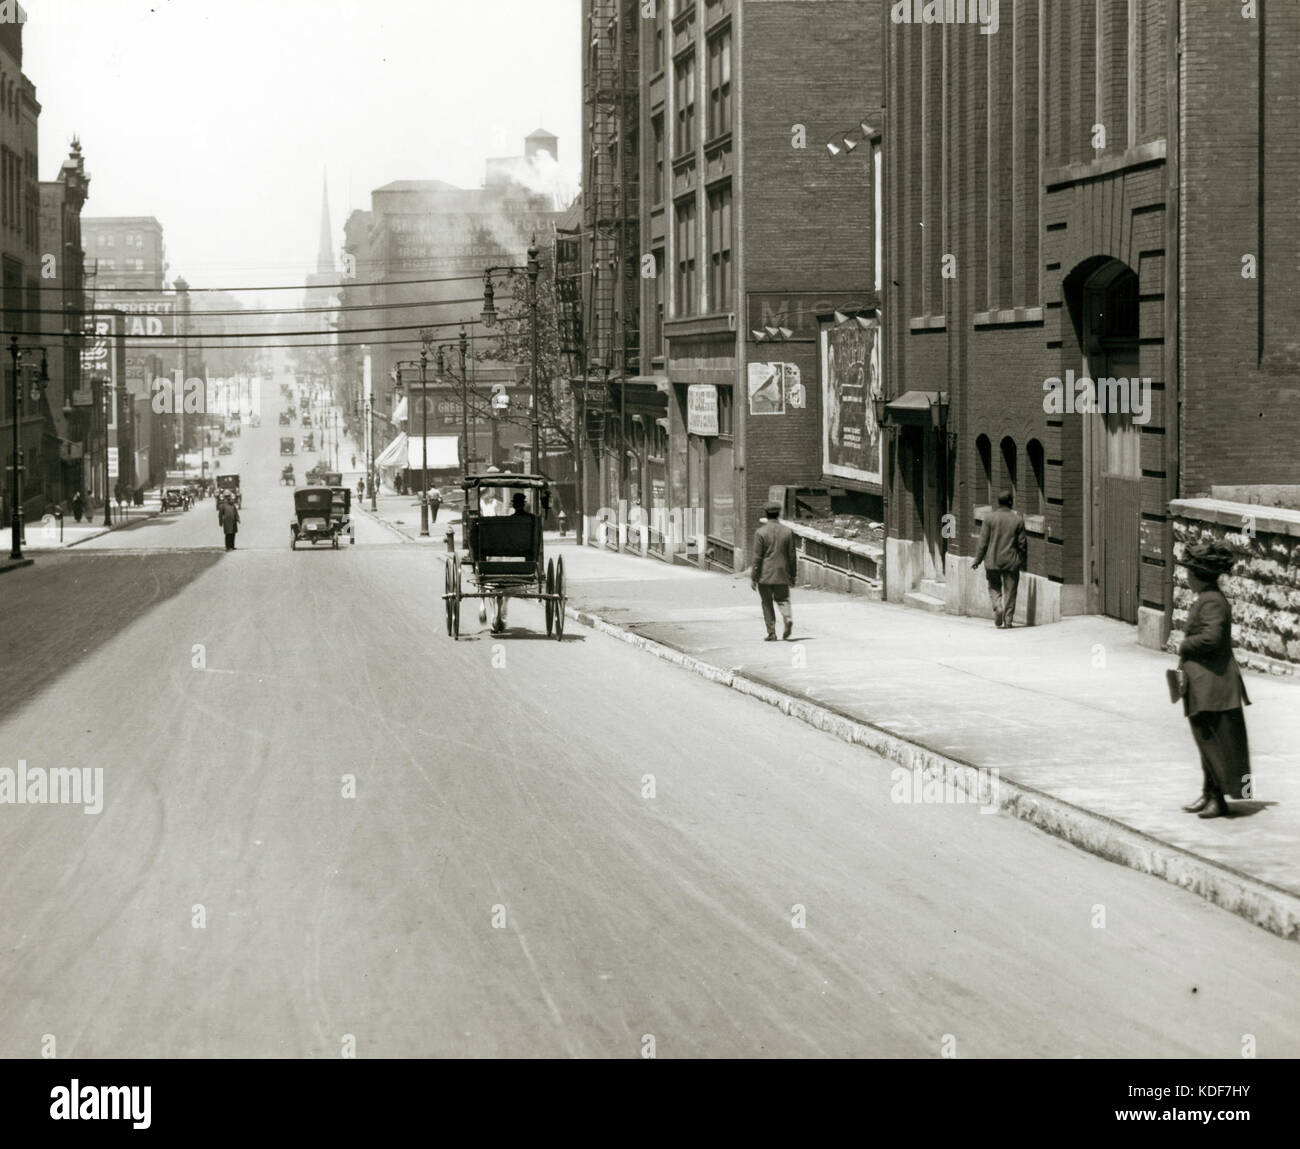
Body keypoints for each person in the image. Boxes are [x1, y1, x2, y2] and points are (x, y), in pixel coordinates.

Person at [1177, 540, 1251, 820]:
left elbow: (1212, 638)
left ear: (1198, 575)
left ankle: (1217, 799)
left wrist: (1185, 645)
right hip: (1206, 684)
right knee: (1207, 741)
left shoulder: (1211, 601)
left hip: (1214, 686)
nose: (1187, 578)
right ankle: (1208, 793)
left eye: (1189, 573)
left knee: (1214, 743)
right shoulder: (1208, 598)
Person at [971, 489, 1028, 628]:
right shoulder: (1017, 519)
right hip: (1011, 561)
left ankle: (998, 607)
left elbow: (983, 543)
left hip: (992, 560)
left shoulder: (989, 518)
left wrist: (977, 560)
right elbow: (1022, 544)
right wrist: (1023, 561)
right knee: (1011, 591)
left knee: (994, 587)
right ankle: (1008, 621)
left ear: (998, 502)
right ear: (1010, 502)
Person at [751, 501, 797, 641]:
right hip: (782, 573)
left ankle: (772, 632)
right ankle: (787, 617)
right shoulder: (787, 532)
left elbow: (757, 557)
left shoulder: (761, 532)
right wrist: (793, 575)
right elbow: (792, 556)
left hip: (765, 574)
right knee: (783, 599)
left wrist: (754, 576)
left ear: (766, 514)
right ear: (779, 514)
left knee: (766, 602)